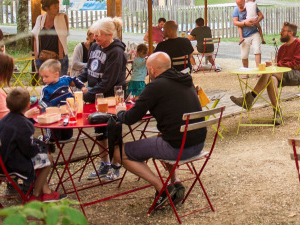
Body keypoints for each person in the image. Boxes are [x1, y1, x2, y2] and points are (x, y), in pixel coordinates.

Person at [110, 52, 204, 210]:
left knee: (119, 152)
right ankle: (176, 181)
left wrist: (120, 112)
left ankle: (162, 189)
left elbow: (130, 118)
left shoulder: (155, 86)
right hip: (198, 143)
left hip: (178, 148)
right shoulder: (185, 80)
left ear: (152, 70)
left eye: (148, 69)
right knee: (164, 133)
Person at [0, 88, 64, 202]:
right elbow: (28, 151)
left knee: (41, 155)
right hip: (10, 166)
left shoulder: (1, 122)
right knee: (47, 159)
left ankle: (45, 190)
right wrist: (38, 148)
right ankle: (36, 194)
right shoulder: (24, 124)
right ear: (29, 104)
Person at [230, 22, 300, 125]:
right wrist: (274, 65)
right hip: (282, 74)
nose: (280, 32)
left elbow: (296, 65)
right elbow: (278, 64)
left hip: (299, 75)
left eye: (283, 31)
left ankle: (250, 98)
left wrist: (276, 66)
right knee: (271, 78)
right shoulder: (282, 48)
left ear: (290, 32)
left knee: (270, 71)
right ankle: (277, 112)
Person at [79, 17, 127, 181]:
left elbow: (109, 81)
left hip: (112, 98)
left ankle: (116, 165)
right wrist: (78, 80)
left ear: (109, 34)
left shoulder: (117, 52)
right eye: (94, 34)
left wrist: (87, 95)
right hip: (96, 96)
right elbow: (89, 69)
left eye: (98, 35)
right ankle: (104, 164)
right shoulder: (94, 46)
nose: (95, 38)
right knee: (99, 131)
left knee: (113, 131)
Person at [37, 59, 86, 144]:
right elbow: (42, 101)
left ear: (56, 74)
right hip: (54, 115)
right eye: (42, 77)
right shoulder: (46, 89)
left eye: (46, 76)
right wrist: (50, 108)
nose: (44, 79)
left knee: (67, 136)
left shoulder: (64, 79)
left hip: (67, 112)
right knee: (53, 138)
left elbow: (75, 80)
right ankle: (42, 140)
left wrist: (82, 87)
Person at [32, 0, 70, 76]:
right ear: (47, 8)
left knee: (60, 82)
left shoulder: (62, 17)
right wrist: (36, 56)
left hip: (58, 57)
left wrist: (61, 56)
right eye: (54, 6)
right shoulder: (40, 19)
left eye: (58, 6)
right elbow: (35, 37)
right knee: (47, 82)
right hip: (43, 57)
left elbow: (63, 35)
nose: (58, 8)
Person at [232, 0, 264, 68]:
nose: (239, 6)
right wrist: (245, 23)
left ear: (244, 1)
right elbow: (235, 22)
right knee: (244, 55)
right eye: (237, 4)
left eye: (240, 4)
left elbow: (261, 16)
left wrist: (256, 21)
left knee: (257, 50)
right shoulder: (236, 9)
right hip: (244, 35)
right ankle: (246, 71)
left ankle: (258, 70)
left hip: (254, 32)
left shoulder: (251, 6)